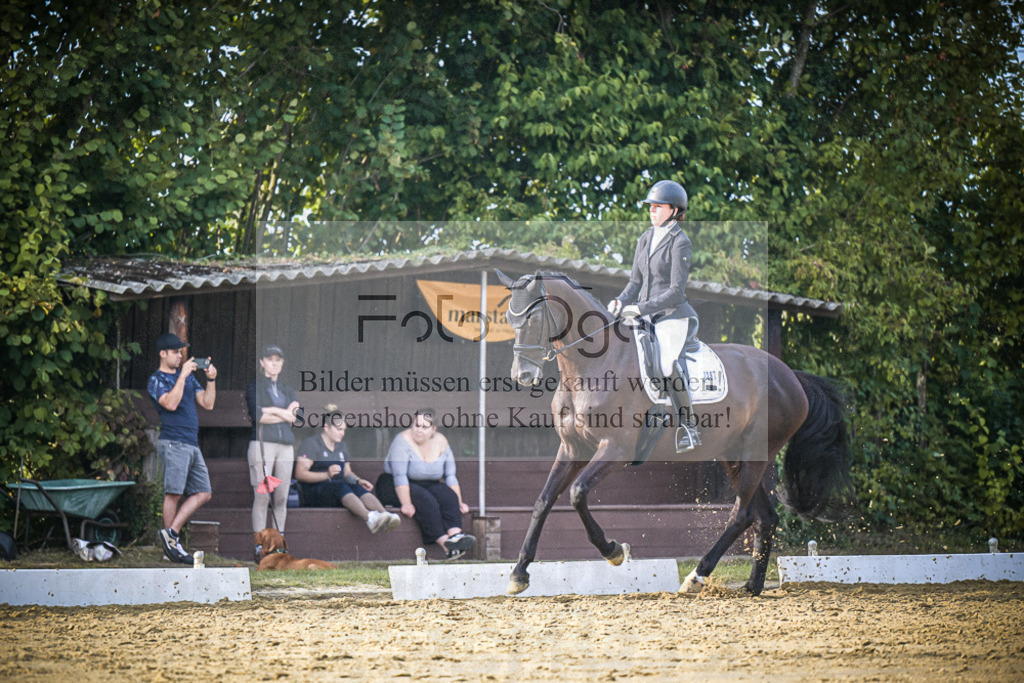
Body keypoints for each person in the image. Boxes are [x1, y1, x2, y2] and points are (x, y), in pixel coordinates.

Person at [607, 179, 701, 453]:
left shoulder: (680, 242)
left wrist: (639, 308)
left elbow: (675, 291)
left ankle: (689, 427)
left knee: (666, 364)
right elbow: (635, 282)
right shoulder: (645, 238)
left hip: (672, 315)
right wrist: (620, 300)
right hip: (644, 314)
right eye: (651, 206)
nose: (652, 211)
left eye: (658, 207)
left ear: (674, 210)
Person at [147, 332, 217, 565]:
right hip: (174, 441)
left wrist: (211, 379)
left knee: (204, 492)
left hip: (191, 442)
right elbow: (170, 403)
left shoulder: (187, 378)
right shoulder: (156, 379)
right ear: (163, 353)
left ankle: (171, 534)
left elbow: (208, 403)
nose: (180, 356)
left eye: (181, 352)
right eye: (176, 352)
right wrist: (183, 375)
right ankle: (172, 547)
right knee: (174, 493)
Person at [381, 408, 475, 560]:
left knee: (448, 496)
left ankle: (456, 537)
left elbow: (450, 475)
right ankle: (447, 546)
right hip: (394, 484)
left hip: (429, 484)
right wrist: (406, 503)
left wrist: (459, 502)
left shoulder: (441, 441)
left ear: (433, 430)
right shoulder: (402, 441)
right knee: (426, 500)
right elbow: (400, 475)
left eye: (424, 427)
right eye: (416, 425)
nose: (419, 430)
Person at [294, 405, 401, 534]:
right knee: (341, 486)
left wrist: (358, 480)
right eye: (339, 429)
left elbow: (347, 473)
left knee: (356, 488)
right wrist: (326, 475)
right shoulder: (311, 444)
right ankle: (369, 518)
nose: (342, 433)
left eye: (344, 430)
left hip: (338, 491)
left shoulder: (341, 446)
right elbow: (300, 474)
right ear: (326, 427)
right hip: (314, 491)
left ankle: (385, 515)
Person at [245, 345, 300, 561]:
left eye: (278, 359)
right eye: (270, 359)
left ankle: (278, 546)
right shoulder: (255, 387)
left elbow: (298, 417)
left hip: (285, 446)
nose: (275, 363)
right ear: (262, 362)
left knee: (281, 497)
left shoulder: (288, 389)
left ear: (282, 363)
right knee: (262, 496)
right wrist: (283, 412)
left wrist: (273, 411)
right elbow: (257, 415)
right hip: (262, 445)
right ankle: (260, 547)